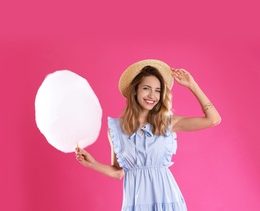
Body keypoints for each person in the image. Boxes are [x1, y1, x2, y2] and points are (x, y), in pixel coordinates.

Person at [75, 59, 221, 210]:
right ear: (135, 90)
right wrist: (92, 164)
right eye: (146, 88)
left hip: (168, 201)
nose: (152, 95)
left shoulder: (168, 123)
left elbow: (213, 119)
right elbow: (119, 172)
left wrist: (193, 85)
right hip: (135, 204)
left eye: (158, 90)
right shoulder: (116, 128)